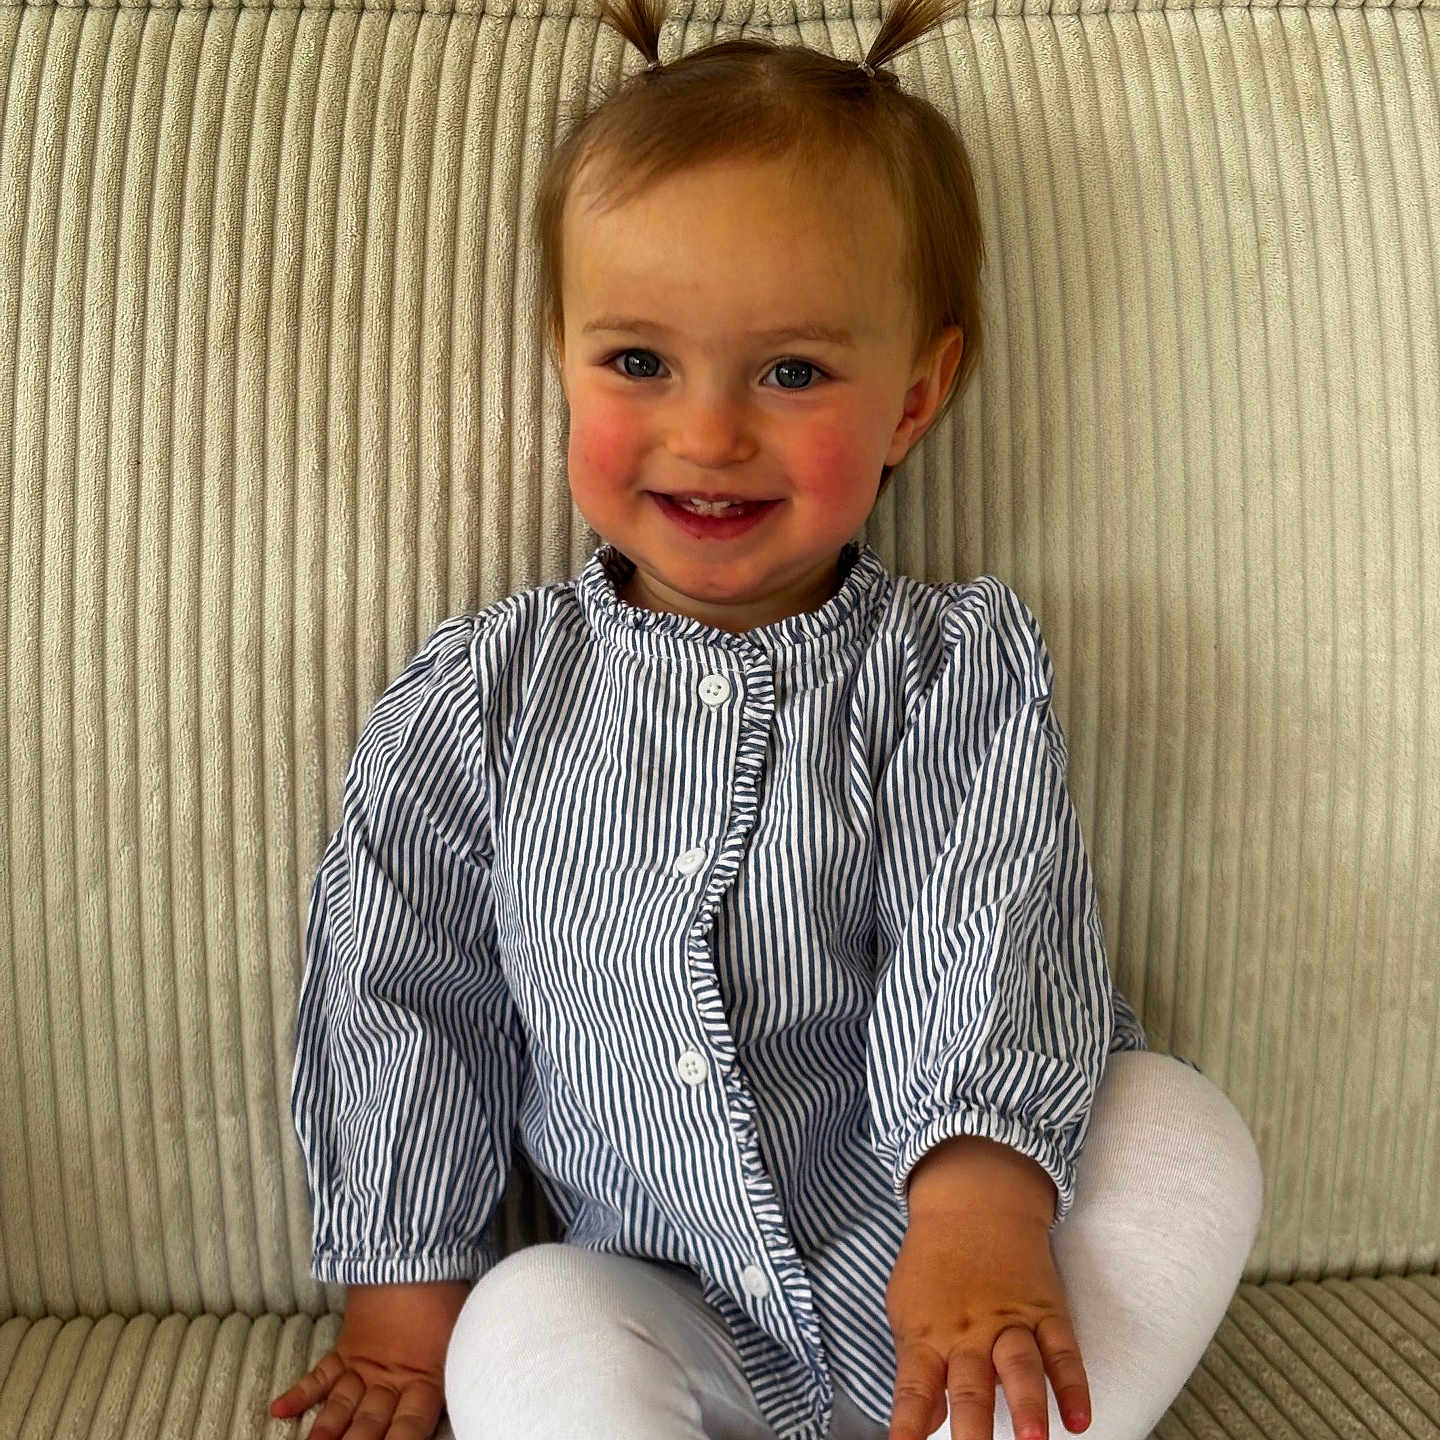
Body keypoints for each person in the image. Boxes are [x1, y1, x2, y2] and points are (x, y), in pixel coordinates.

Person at [269, 0, 1264, 1436]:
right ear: (559, 353)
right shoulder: (479, 700)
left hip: (973, 1278)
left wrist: (981, 1212)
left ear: (915, 393)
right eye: (638, 364)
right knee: (526, 1319)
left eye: (793, 372)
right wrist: (405, 1319)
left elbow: (990, 922)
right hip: (657, 1297)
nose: (711, 431)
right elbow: (401, 996)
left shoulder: (950, 672)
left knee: (1182, 1129)